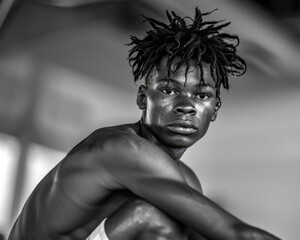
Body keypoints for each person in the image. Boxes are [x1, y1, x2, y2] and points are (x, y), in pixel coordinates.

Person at [8, 7, 282, 240]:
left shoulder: (184, 178)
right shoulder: (123, 149)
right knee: (151, 216)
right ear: (143, 98)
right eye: (169, 90)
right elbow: (237, 233)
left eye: (202, 95)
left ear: (214, 110)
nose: (186, 106)